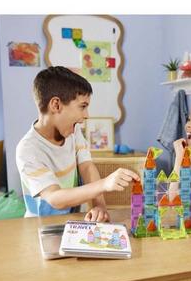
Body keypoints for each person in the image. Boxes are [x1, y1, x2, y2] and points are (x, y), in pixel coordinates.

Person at [16, 66, 138, 220]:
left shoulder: (74, 131)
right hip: (40, 226)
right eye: (83, 106)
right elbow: (55, 197)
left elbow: (87, 167)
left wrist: (99, 205)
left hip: (73, 221)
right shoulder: (28, 149)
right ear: (56, 105)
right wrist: (104, 184)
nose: (87, 115)